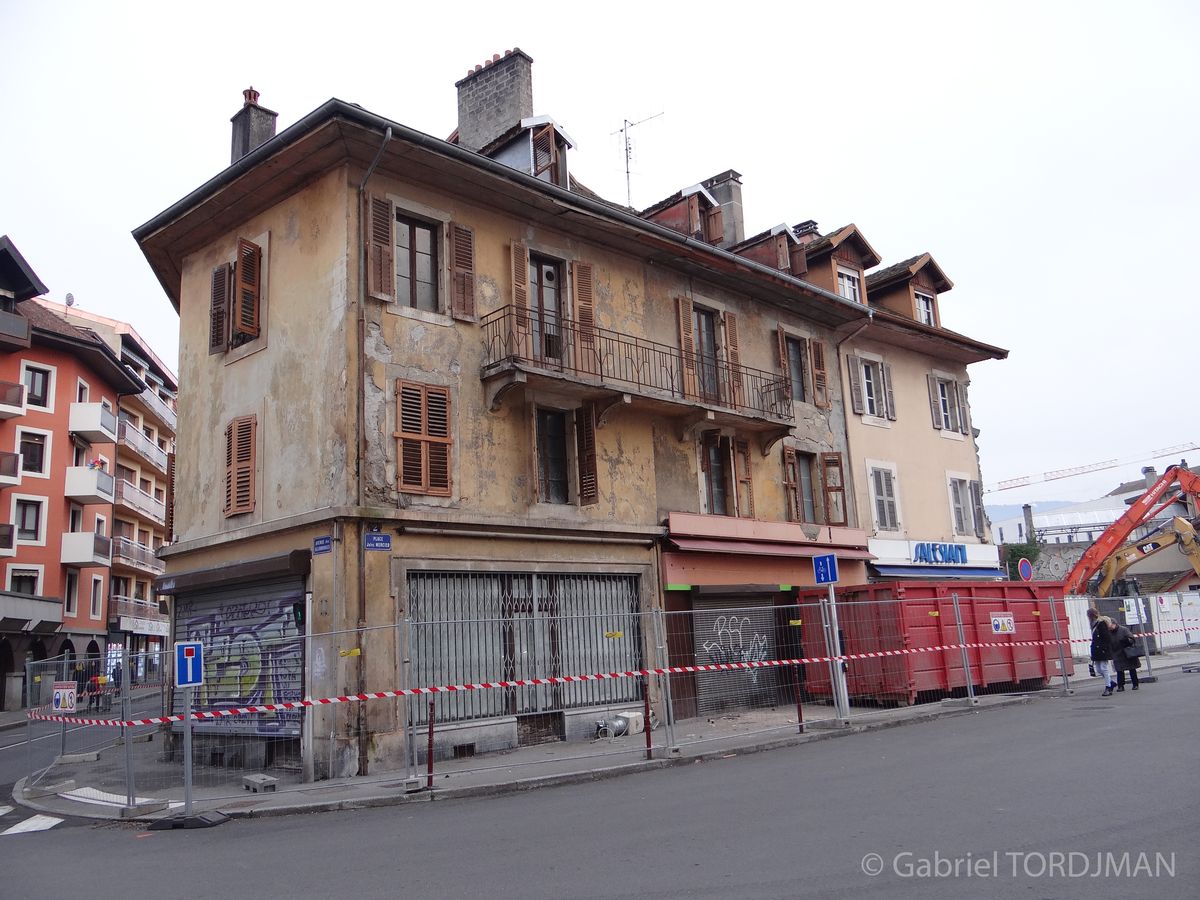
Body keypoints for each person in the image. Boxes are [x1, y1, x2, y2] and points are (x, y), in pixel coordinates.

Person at [1087, 608, 1117, 697]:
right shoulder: (1093, 624)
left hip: (1102, 649)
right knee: (1099, 670)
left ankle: (1108, 687)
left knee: (1103, 668)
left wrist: (1105, 648)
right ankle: (1111, 682)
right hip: (1096, 649)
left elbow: (1106, 637)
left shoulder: (1101, 623)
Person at [1109, 618, 1142, 691]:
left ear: (1114, 624)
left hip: (1127, 652)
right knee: (1119, 670)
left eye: (1110, 625)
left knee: (1132, 669)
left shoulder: (1124, 629)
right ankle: (1120, 686)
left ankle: (1135, 684)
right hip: (1116, 653)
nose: (1109, 627)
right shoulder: (1109, 632)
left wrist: (1127, 641)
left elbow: (1132, 639)